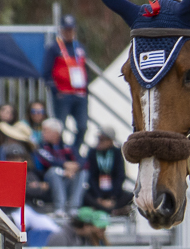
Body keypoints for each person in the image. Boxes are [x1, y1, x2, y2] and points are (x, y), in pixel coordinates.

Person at [42, 15, 90, 151]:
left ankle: (74, 152)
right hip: (63, 94)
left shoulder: (79, 47)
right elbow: (46, 71)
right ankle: (60, 152)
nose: (69, 32)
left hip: (79, 94)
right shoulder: (54, 48)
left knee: (83, 126)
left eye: (71, 29)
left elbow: (85, 68)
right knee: (59, 126)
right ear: (61, 30)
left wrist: (86, 89)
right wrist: (56, 91)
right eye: (66, 29)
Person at [34, 119, 84, 212]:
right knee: (54, 171)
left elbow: (82, 160)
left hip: (67, 178)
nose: (42, 133)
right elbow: (49, 161)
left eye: (45, 130)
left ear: (55, 133)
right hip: (47, 180)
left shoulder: (67, 147)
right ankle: (59, 208)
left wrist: (74, 167)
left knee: (83, 172)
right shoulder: (41, 147)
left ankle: (73, 207)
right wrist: (65, 165)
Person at [82, 128, 129, 215]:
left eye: (103, 140)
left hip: (113, 192)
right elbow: (91, 176)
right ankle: (112, 211)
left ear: (110, 141)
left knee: (131, 196)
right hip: (96, 192)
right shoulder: (92, 152)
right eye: (99, 139)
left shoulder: (117, 152)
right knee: (84, 195)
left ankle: (106, 209)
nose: (100, 142)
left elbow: (120, 175)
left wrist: (113, 197)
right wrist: (99, 197)